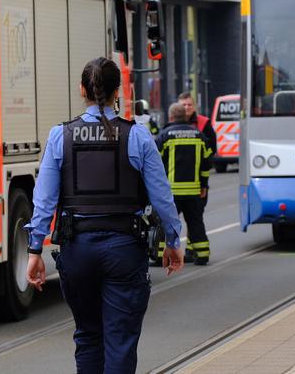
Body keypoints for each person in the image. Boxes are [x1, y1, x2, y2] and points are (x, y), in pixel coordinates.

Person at [24, 57, 185, 374]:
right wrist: (173, 241)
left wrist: (34, 250)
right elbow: (162, 197)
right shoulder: (137, 136)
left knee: (87, 336)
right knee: (120, 340)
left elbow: (43, 200)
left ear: (82, 90)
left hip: (77, 250)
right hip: (124, 250)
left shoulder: (60, 136)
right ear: (118, 92)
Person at [157, 102, 213, 265]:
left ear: (171, 117)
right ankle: (202, 254)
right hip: (193, 191)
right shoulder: (199, 135)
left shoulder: (165, 136)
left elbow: (155, 164)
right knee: (195, 223)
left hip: (170, 193)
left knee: (166, 224)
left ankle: (161, 256)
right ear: (186, 116)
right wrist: (203, 185)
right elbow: (207, 163)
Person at [178, 92, 217, 157]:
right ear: (178, 107)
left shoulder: (204, 122)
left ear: (194, 107)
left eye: (189, 105)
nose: (187, 107)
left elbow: (212, 146)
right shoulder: (173, 123)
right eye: (183, 105)